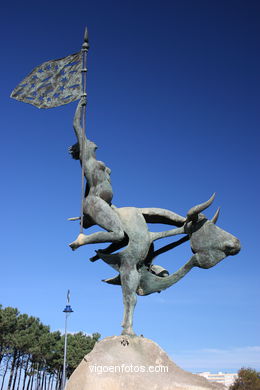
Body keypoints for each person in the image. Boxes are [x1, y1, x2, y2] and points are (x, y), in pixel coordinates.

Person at [69, 97, 124, 250]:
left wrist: (85, 215)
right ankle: (83, 240)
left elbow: (88, 188)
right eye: (87, 141)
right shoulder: (87, 159)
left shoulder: (94, 162)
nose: (93, 142)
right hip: (95, 201)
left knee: (127, 231)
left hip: (103, 203)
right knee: (118, 233)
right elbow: (76, 124)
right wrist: (80, 105)